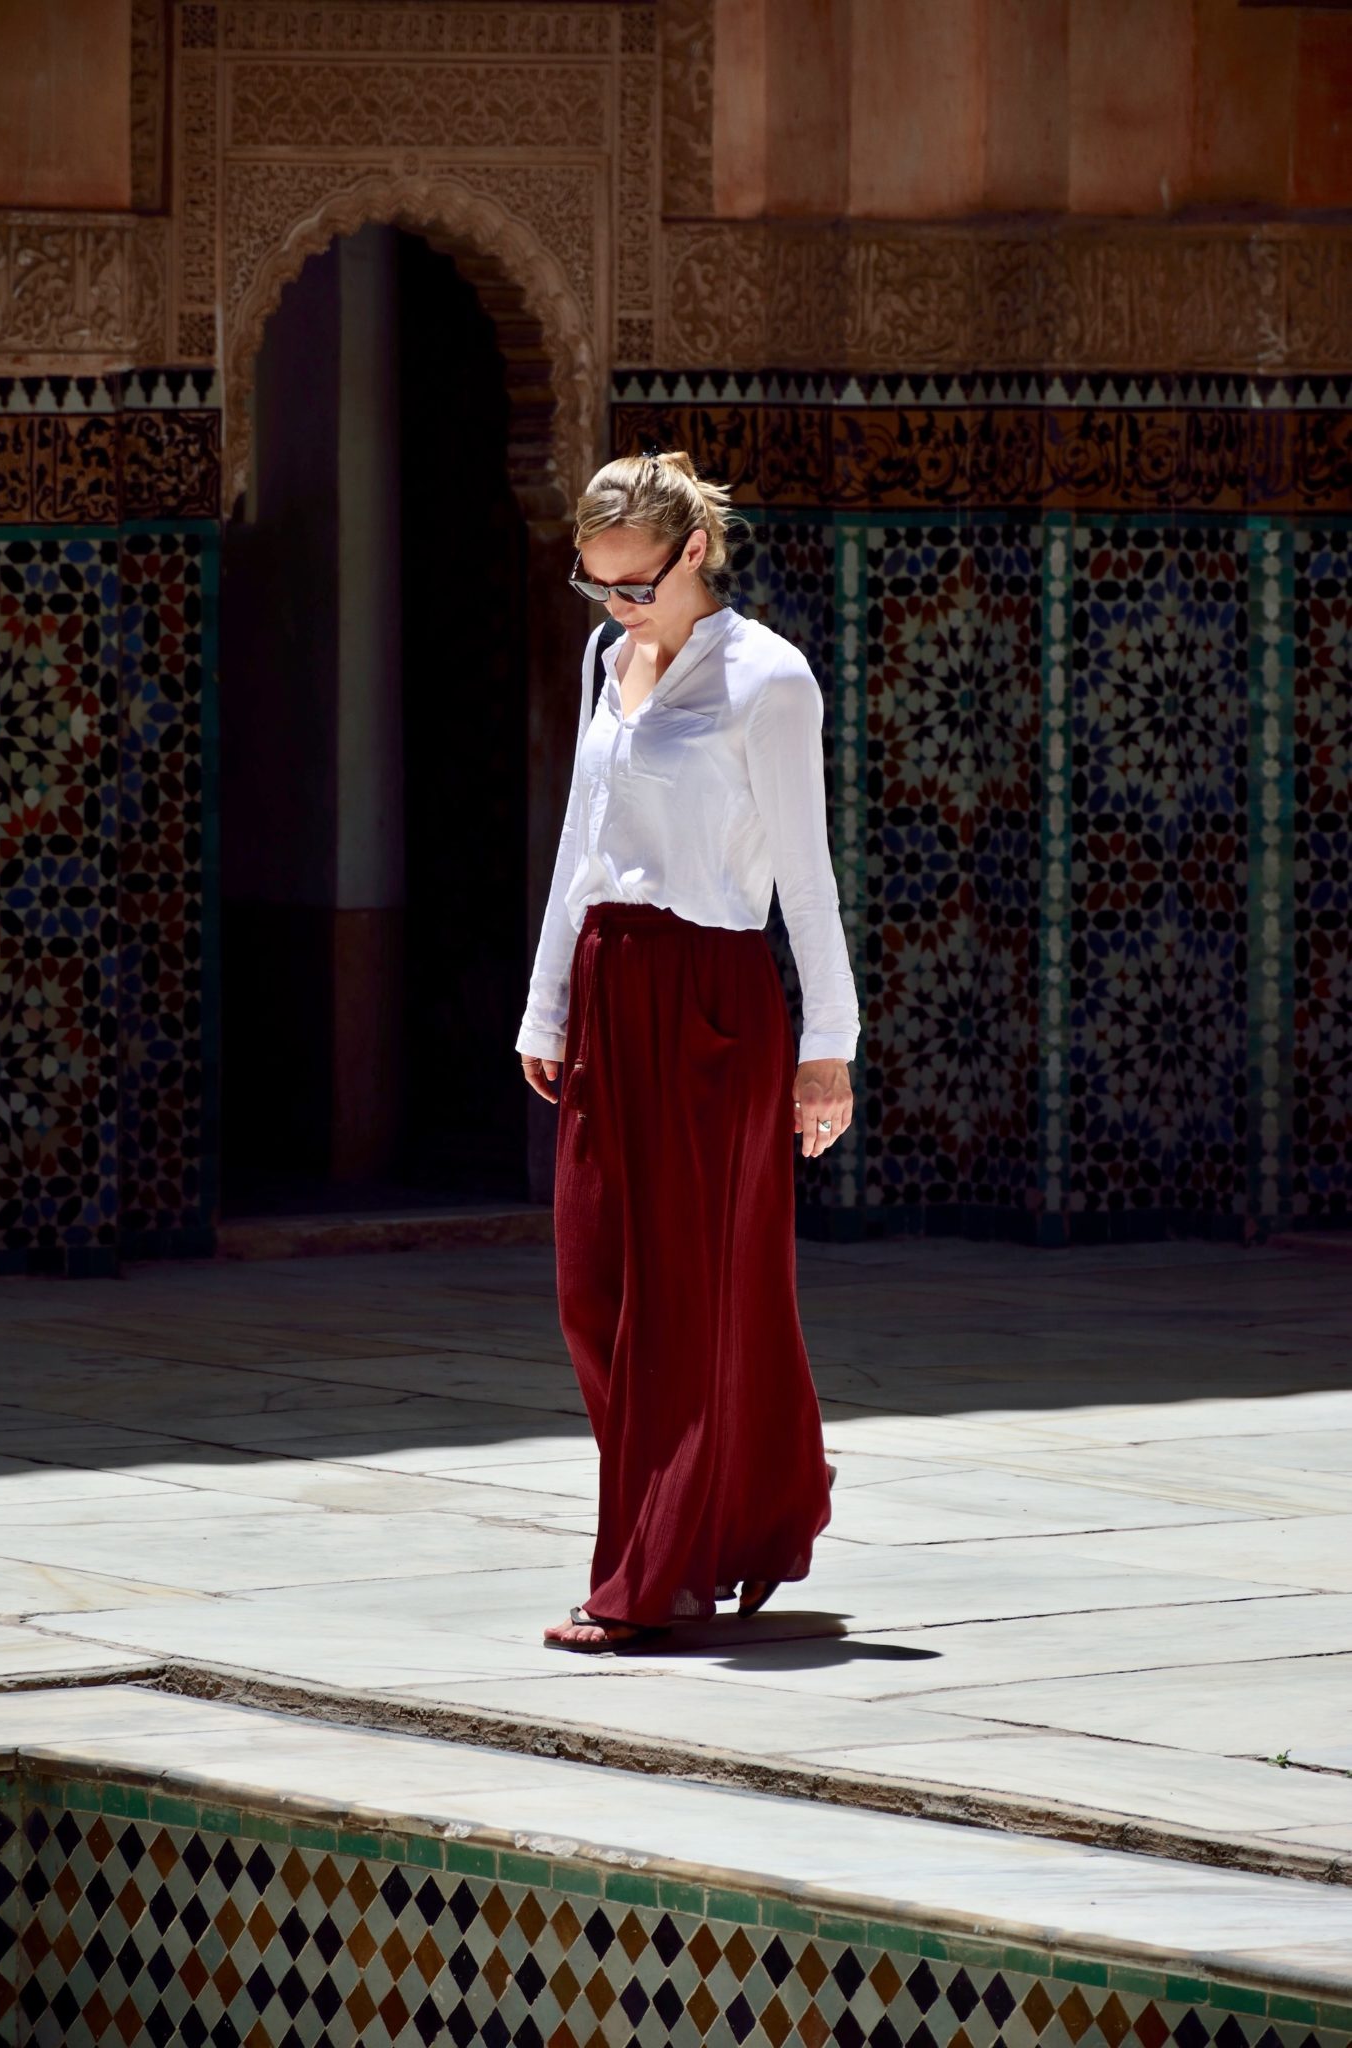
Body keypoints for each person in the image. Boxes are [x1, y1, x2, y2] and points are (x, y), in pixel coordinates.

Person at [516, 448, 859, 1652]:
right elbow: (580, 834)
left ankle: (647, 1575)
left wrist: (829, 1046)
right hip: (611, 989)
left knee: (680, 1300)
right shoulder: (609, 658)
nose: (619, 606)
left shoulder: (771, 679)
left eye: (637, 584)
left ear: (693, 551)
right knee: (592, 1288)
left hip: (714, 1001)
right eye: (597, 584)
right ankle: (731, 1517)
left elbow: (806, 878)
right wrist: (546, 1004)